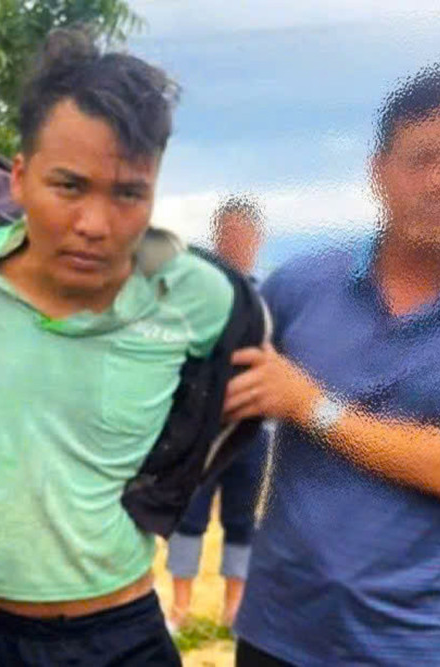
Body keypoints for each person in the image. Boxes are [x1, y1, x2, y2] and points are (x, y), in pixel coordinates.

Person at [0, 28, 267, 667]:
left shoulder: (197, 297)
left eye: (128, 193)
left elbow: (243, 384)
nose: (95, 225)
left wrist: (163, 493)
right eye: (69, 187)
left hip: (121, 637)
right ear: (20, 178)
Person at [227, 63, 440, 666]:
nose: (437, 181)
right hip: (277, 628)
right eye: (419, 159)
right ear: (379, 170)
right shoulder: (299, 284)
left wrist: (310, 404)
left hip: (410, 643)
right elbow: (216, 401)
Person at [166, 195, 267, 629]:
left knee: (242, 519)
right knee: (189, 513)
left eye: (244, 235)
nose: (235, 242)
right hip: (200, 428)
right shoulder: (196, 295)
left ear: (257, 240)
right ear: (217, 236)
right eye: (228, 234)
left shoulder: (270, 299)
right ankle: (180, 608)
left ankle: (234, 609)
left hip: (254, 430)